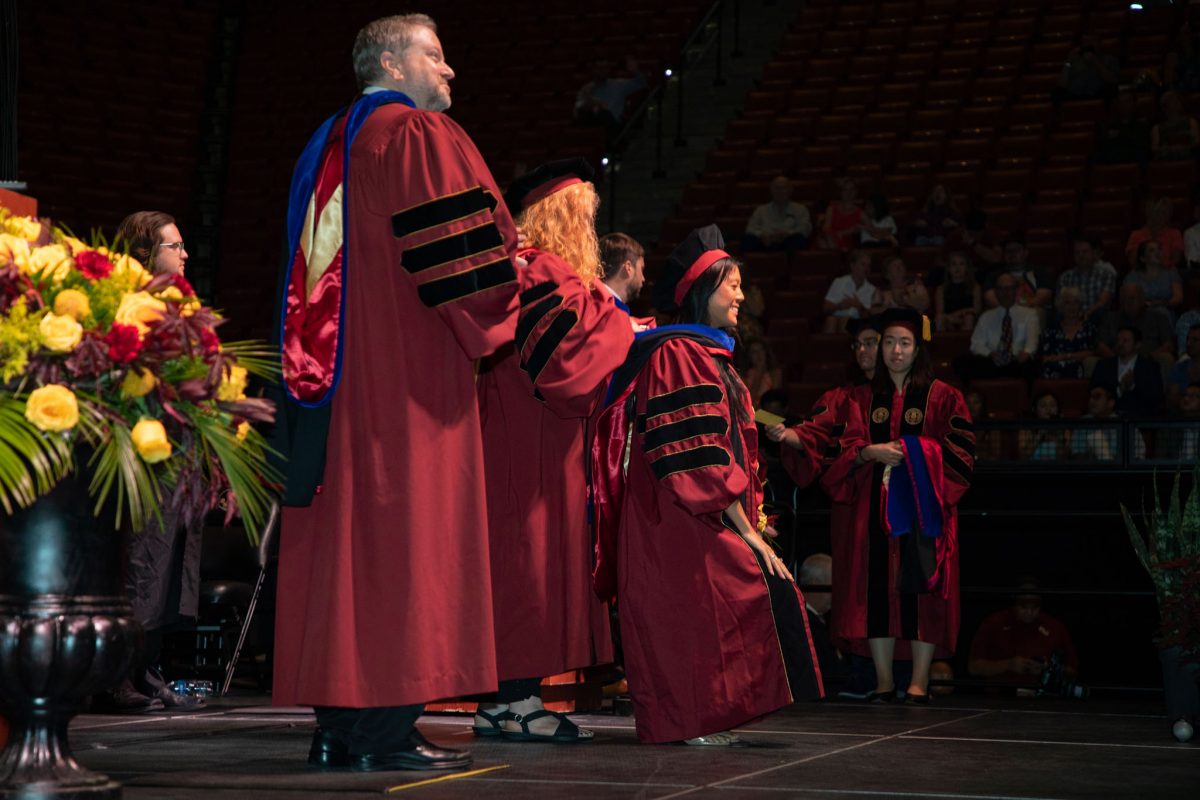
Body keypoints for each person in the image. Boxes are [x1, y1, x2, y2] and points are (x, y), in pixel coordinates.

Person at [273, 14, 520, 772]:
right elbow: (472, 273)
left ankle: (338, 731)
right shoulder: (415, 137)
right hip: (405, 383)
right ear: (390, 61)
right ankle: (383, 734)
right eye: (435, 56)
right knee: (404, 546)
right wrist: (509, 294)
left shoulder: (325, 148)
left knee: (344, 551)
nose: (450, 73)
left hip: (330, 387)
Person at [591, 225, 823, 744]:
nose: (742, 295)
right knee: (702, 605)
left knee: (718, 605)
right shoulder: (679, 355)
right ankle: (690, 717)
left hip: (701, 512)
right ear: (703, 289)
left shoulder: (707, 356)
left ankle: (709, 714)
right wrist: (749, 531)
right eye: (732, 285)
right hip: (680, 517)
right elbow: (695, 456)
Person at [471, 160, 634, 744]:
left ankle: (500, 703)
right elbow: (565, 369)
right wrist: (626, 329)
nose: (590, 229)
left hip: (520, 438)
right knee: (527, 568)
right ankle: (519, 701)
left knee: (517, 566)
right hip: (531, 447)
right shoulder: (542, 270)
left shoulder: (526, 268)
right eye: (584, 215)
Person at [775, 308, 973, 704]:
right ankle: (884, 681)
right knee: (879, 592)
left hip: (924, 512)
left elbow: (961, 456)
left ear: (918, 349)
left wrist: (914, 450)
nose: (896, 351)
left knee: (923, 593)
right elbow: (838, 449)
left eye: (905, 343)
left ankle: (918, 682)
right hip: (873, 512)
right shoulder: (859, 400)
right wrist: (867, 453)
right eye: (889, 343)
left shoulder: (944, 397)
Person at [105, 210, 205, 714]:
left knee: (170, 567)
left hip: (178, 453)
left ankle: (145, 668)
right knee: (141, 563)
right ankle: (117, 675)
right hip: (144, 453)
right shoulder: (128, 308)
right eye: (174, 246)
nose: (184, 254)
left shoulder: (180, 306)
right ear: (146, 253)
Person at [968, 581, 1079, 690]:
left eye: (1034, 607)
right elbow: (974, 667)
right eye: (1024, 607)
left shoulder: (1055, 628)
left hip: (1043, 698)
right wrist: (1008, 665)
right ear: (1015, 603)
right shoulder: (994, 623)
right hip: (1000, 698)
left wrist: (1048, 668)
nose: (1029, 612)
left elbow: (1072, 671)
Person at [955, 272, 1040, 384]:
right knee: (962, 362)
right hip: (992, 361)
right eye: (1001, 289)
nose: (1005, 292)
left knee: (1032, 365)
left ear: (1016, 290)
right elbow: (976, 344)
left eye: (1009, 288)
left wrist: (1027, 352)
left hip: (1017, 361)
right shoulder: (986, 317)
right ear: (996, 292)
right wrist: (990, 354)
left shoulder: (1029, 314)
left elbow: (1032, 342)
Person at [1091, 326, 1165, 417]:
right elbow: (1094, 393)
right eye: (1118, 340)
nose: (1120, 344)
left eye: (1125, 340)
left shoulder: (1150, 367)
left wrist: (1133, 386)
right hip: (1107, 419)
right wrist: (1119, 390)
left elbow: (1155, 399)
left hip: (1139, 419)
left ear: (1137, 344)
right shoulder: (1103, 366)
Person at [799, 554, 847, 688]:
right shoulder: (804, 625)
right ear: (816, 583)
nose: (836, 592)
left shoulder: (822, 620)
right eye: (832, 583)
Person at [573, 56, 646, 138]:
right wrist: (592, 103)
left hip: (614, 127)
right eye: (600, 68)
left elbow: (642, 84)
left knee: (605, 115)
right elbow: (578, 110)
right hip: (594, 125)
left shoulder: (619, 84)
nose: (603, 71)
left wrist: (634, 71)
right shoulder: (586, 89)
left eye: (605, 68)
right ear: (594, 70)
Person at [982, 238, 1053, 316]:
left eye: (1017, 250)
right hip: (1003, 311)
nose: (1012, 254)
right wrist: (1008, 310)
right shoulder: (995, 275)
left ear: (1025, 252)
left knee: (1038, 312)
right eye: (1008, 251)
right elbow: (990, 298)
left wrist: (1020, 311)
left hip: (1030, 310)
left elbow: (1044, 296)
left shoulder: (1039, 272)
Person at [599, 231, 653, 331]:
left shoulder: (592, 305)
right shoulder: (610, 314)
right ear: (628, 268)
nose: (643, 279)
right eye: (641, 269)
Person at [742, 175, 812, 253]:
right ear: (771, 190)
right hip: (765, 243)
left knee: (797, 240)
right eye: (777, 188)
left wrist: (787, 234)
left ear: (790, 189)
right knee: (749, 241)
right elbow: (750, 229)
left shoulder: (800, 209)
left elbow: (805, 229)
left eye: (784, 188)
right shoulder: (761, 210)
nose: (780, 191)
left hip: (789, 242)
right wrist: (762, 235)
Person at [1039, 287, 1097, 380]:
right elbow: (1047, 357)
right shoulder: (1051, 330)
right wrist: (1074, 356)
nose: (1071, 307)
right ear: (1061, 306)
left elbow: (1091, 352)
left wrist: (1065, 356)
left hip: (1079, 370)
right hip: (1053, 372)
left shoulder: (1088, 328)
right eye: (1067, 303)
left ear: (1080, 306)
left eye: (1075, 303)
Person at [1057, 235, 1117, 324]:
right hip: (1070, 317)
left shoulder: (1106, 274)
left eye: (1085, 252)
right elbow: (1060, 302)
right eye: (1077, 253)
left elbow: (1103, 301)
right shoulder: (1065, 277)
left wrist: (1087, 313)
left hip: (1096, 317)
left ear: (1093, 253)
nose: (1081, 255)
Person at [822, 249, 878, 333]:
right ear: (852, 266)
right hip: (836, 318)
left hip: (857, 323)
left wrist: (859, 306)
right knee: (831, 320)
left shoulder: (872, 290)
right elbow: (825, 308)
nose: (867, 269)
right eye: (863, 265)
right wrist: (840, 306)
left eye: (868, 266)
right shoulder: (839, 282)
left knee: (846, 321)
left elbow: (869, 317)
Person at [1092, 88, 1151, 166]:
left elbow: (1143, 151)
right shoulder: (1106, 127)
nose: (1124, 105)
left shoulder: (1143, 127)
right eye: (1121, 102)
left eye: (1127, 101)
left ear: (1134, 104)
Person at [1125, 197, 1185, 272]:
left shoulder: (1175, 234)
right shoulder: (1136, 235)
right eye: (1156, 212)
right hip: (1142, 276)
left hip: (1167, 275)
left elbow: (1176, 261)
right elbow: (1133, 262)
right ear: (1148, 213)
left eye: (1164, 213)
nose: (1159, 216)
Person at [1055, 36, 1119, 101]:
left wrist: (1096, 61)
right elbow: (1061, 85)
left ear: (1099, 43)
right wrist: (1068, 62)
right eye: (1086, 42)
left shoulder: (1109, 60)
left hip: (1099, 95)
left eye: (1093, 41)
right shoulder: (1073, 61)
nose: (1089, 44)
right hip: (1074, 96)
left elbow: (1113, 81)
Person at [934, 251, 981, 332]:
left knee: (969, 318)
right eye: (954, 264)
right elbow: (939, 312)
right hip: (948, 321)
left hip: (968, 320)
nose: (957, 268)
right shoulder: (941, 289)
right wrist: (951, 318)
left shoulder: (975, 287)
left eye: (961, 264)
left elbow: (977, 309)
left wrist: (958, 315)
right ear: (948, 268)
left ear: (967, 268)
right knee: (939, 319)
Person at [1017, 391, 1067, 461]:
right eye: (1043, 406)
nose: (1048, 409)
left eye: (1052, 405)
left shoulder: (1064, 429)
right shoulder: (1026, 429)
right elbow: (1023, 457)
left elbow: (1064, 458)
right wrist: (1040, 433)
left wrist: (1058, 436)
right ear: (1034, 409)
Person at [1152, 91, 1200, 161]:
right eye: (1171, 101)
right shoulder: (1157, 128)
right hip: (1166, 160)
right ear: (1164, 108)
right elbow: (1154, 148)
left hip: (1188, 158)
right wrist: (1170, 149)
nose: (1176, 103)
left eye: (1177, 100)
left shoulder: (1191, 122)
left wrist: (1184, 147)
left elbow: (1197, 142)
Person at [819, 178, 865, 251]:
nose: (848, 193)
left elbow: (871, 229)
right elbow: (826, 229)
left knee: (825, 243)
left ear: (856, 191)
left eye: (852, 189)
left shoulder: (860, 212)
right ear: (841, 192)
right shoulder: (831, 208)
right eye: (845, 190)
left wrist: (845, 233)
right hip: (829, 239)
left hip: (845, 244)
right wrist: (839, 234)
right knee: (824, 240)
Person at [740, 337, 784, 408]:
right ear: (749, 356)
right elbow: (749, 401)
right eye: (754, 352)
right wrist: (759, 372)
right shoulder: (744, 375)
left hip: (769, 413)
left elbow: (775, 400)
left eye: (761, 350)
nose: (758, 354)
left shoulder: (775, 372)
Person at [1167, 323, 1200, 409]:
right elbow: (1171, 399)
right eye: (1188, 339)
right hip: (1183, 418)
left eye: (1195, 340)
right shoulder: (1179, 368)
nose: (1189, 344)